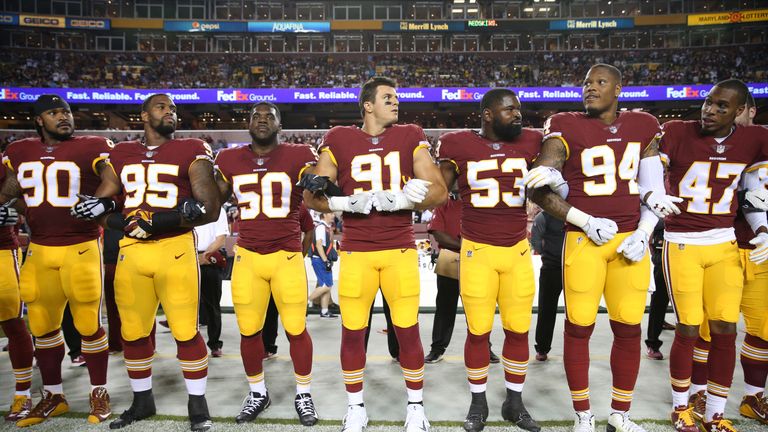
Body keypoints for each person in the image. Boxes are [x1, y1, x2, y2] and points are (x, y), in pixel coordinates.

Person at [525, 64, 675, 432]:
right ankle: (583, 415)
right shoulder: (565, 123)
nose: (589, 88)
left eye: (599, 82)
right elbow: (539, 184)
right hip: (584, 239)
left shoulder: (643, 126)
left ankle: (620, 414)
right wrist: (583, 219)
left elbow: (653, 191)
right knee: (579, 327)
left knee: (628, 328)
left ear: (618, 88)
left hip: (630, 242)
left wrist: (644, 230)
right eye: (586, 83)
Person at [302, 76, 447, 432]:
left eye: (396, 97)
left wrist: (405, 198)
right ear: (367, 104)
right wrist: (342, 201)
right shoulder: (338, 137)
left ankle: (415, 407)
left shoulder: (411, 134)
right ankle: (356, 407)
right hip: (356, 252)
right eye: (388, 97)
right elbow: (312, 195)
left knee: (408, 331)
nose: (396, 102)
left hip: (399, 249)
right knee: (352, 332)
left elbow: (440, 190)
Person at [71, 93, 221, 432]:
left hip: (174, 248)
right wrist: (103, 213)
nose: (170, 112)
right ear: (143, 115)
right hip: (131, 250)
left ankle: (198, 404)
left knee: (185, 330)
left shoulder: (192, 148)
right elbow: (105, 203)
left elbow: (208, 208)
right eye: (162, 107)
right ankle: (142, 400)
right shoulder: (122, 152)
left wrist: (161, 222)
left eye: (173, 108)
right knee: (134, 331)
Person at [658, 79, 768, 432]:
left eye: (722, 106)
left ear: (740, 111)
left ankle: (716, 415)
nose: (710, 110)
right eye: (708, 103)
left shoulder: (754, 140)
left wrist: (763, 228)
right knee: (689, 328)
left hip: (724, 242)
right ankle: (681, 406)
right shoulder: (677, 130)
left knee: (725, 329)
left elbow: (754, 194)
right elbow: (646, 173)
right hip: (683, 240)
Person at [1, 95, 113, 426]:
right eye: (54, 113)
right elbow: (11, 192)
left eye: (66, 111)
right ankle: (53, 394)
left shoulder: (91, 144)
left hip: (81, 246)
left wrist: (101, 200)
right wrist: (12, 208)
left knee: (89, 325)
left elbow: (111, 178)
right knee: (43, 327)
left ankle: (99, 390)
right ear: (39, 120)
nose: (63, 117)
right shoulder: (20, 152)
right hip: (39, 249)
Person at [438, 88, 542, 432]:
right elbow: (439, 191)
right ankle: (478, 402)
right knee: (478, 331)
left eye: (519, 109)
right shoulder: (458, 144)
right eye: (510, 109)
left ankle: (514, 401)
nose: (518, 114)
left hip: (517, 250)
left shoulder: (532, 141)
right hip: (477, 251)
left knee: (518, 329)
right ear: (487, 114)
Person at [213, 102, 319, 426]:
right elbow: (212, 200)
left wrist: (320, 182)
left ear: (280, 124)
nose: (261, 121)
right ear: (247, 123)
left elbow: (315, 190)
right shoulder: (228, 159)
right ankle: (257, 392)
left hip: (285, 256)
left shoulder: (299, 155)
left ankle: (304, 393)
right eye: (256, 116)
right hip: (247, 256)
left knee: (296, 329)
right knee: (248, 331)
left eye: (269, 116)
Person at [732, 93, 768, 424]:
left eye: (736, 108)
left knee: (762, 330)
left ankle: (752, 397)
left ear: (751, 111)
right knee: (707, 329)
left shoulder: (762, 140)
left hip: (759, 251)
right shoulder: (714, 141)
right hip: (723, 247)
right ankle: (699, 395)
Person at [0, 160, 34, 422]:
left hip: (1, 249)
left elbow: (28, 202)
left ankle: (22, 393)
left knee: (13, 322)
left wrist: (17, 214)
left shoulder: (6, 166)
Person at [262, 203, 315, 358]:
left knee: (293, 313)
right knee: (269, 311)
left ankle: (296, 349)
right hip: (266, 264)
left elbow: (309, 231)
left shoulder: (297, 205)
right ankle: (268, 346)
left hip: (288, 263)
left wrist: (300, 255)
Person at [530, 209, 565, 362]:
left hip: (575, 268)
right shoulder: (543, 217)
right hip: (551, 268)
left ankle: (574, 347)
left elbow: (537, 242)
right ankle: (542, 348)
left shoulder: (576, 214)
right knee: (546, 309)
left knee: (576, 313)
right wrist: (549, 253)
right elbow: (535, 242)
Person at [193, 207, 229, 357]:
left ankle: (215, 344)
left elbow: (221, 239)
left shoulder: (217, 209)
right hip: (188, 255)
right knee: (186, 306)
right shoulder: (184, 204)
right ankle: (188, 344)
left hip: (209, 258)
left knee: (212, 306)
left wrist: (204, 257)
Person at [644, 220, 668, 360]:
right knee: (659, 298)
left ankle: (662, 321)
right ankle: (652, 344)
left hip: (691, 246)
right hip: (663, 244)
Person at [309, 212, 339, 318]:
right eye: (330, 213)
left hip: (323, 259)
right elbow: (319, 245)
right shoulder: (321, 227)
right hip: (319, 259)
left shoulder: (326, 227)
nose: (333, 215)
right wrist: (325, 260)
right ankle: (304, 303)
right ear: (324, 215)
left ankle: (325, 311)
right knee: (325, 286)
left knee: (328, 285)